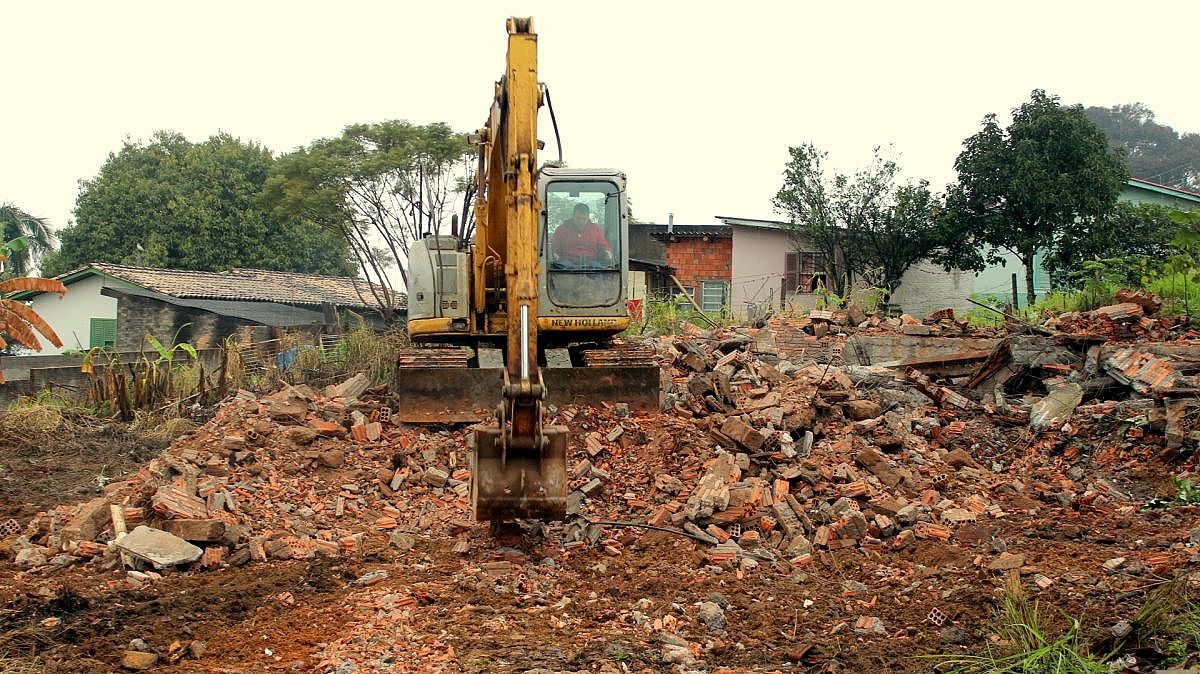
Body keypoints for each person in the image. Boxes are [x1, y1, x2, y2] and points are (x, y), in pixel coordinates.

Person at [550, 203, 613, 267]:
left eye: (584, 219)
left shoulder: (596, 230)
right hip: (568, 263)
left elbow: (603, 245)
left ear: (588, 217)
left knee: (600, 272)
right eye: (578, 218)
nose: (581, 221)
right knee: (560, 270)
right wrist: (555, 254)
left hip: (591, 263)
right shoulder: (562, 229)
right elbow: (555, 246)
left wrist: (607, 253)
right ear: (573, 216)